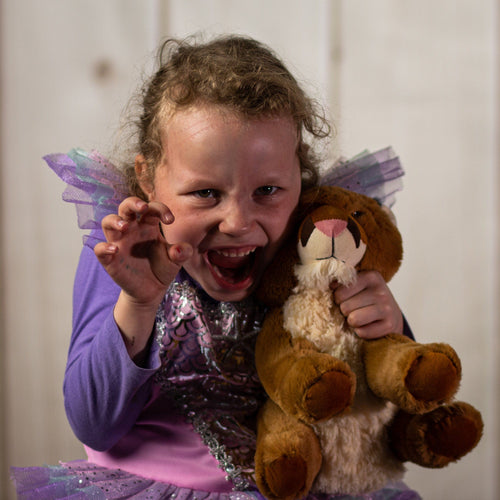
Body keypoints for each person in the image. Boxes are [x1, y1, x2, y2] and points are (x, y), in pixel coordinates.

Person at [11, 35, 419, 499]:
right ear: (148, 179)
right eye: (205, 193)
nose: (238, 221)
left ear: (298, 177)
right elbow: (93, 424)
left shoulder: (317, 245)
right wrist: (138, 304)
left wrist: (389, 325)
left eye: (268, 191)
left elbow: (390, 412)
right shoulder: (126, 256)